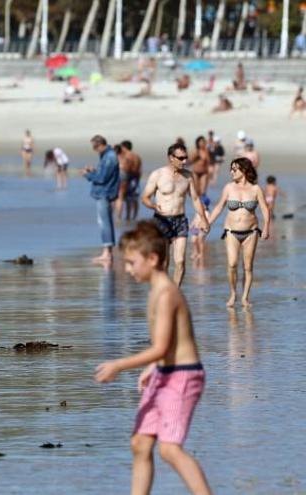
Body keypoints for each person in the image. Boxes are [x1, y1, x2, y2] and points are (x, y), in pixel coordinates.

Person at [95, 221, 212, 495]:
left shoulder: (166, 294)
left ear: (153, 258)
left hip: (183, 376)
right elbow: (166, 345)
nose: (127, 269)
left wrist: (118, 365)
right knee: (140, 443)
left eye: (131, 262)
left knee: (169, 450)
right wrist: (153, 366)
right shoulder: (155, 291)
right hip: (165, 372)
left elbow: (160, 347)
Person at [141, 143, 210, 287]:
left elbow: (196, 199)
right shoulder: (158, 174)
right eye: (181, 158)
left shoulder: (188, 176)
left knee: (180, 261)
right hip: (161, 221)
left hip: (180, 220)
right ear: (171, 158)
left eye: (186, 158)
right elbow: (145, 197)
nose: (185, 161)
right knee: (165, 262)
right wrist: (153, 205)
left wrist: (204, 219)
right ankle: (163, 290)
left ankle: (175, 291)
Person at [206, 158, 271, 308]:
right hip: (231, 232)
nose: (231, 172)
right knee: (232, 264)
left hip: (251, 232)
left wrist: (266, 227)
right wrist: (208, 223)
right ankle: (233, 293)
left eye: (235, 169)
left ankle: (245, 297)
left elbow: (264, 209)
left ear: (244, 170)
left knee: (248, 266)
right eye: (231, 169)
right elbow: (219, 207)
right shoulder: (229, 188)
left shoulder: (256, 189)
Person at [81, 135, 120, 265]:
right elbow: (103, 173)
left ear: (99, 144)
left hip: (105, 193)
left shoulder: (109, 156)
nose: (94, 150)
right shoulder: (107, 155)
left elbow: (102, 178)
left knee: (104, 223)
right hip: (104, 193)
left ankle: (107, 253)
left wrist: (88, 174)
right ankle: (107, 252)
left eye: (94, 147)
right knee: (105, 222)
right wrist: (94, 170)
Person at [116, 140, 142, 222]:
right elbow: (139, 169)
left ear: (124, 147)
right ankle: (132, 217)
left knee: (120, 197)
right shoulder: (137, 156)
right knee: (132, 198)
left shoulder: (126, 156)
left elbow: (126, 168)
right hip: (135, 178)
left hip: (126, 177)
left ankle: (118, 217)